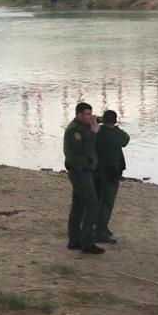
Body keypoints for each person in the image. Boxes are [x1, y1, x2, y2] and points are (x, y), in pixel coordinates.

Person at [64, 102, 103, 254]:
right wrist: (93, 132)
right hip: (80, 171)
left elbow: (95, 123)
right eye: (87, 114)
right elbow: (84, 149)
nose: (90, 117)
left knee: (78, 205)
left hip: (83, 171)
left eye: (91, 114)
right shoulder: (74, 130)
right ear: (78, 115)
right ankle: (87, 243)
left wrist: (97, 120)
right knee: (92, 205)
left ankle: (74, 241)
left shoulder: (82, 126)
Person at [94, 110, 130, 244]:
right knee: (107, 203)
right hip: (111, 173)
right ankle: (100, 231)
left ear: (103, 120)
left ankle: (96, 227)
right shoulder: (117, 134)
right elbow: (126, 140)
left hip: (96, 171)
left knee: (96, 200)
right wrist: (116, 127)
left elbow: (91, 124)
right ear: (115, 121)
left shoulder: (96, 131)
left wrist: (98, 120)